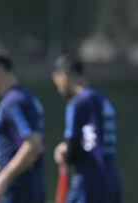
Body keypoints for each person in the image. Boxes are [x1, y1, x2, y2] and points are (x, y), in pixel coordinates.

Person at [0, 48, 46, 203]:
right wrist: (1, 168)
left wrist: (3, 178)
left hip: (20, 193)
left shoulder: (14, 102)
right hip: (26, 189)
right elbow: (20, 145)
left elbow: (32, 146)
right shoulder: (24, 96)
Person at [52, 54, 122, 203]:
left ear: (63, 76)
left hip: (88, 181)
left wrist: (65, 153)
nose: (58, 87)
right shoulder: (101, 98)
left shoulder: (77, 103)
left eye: (57, 82)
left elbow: (74, 148)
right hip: (111, 178)